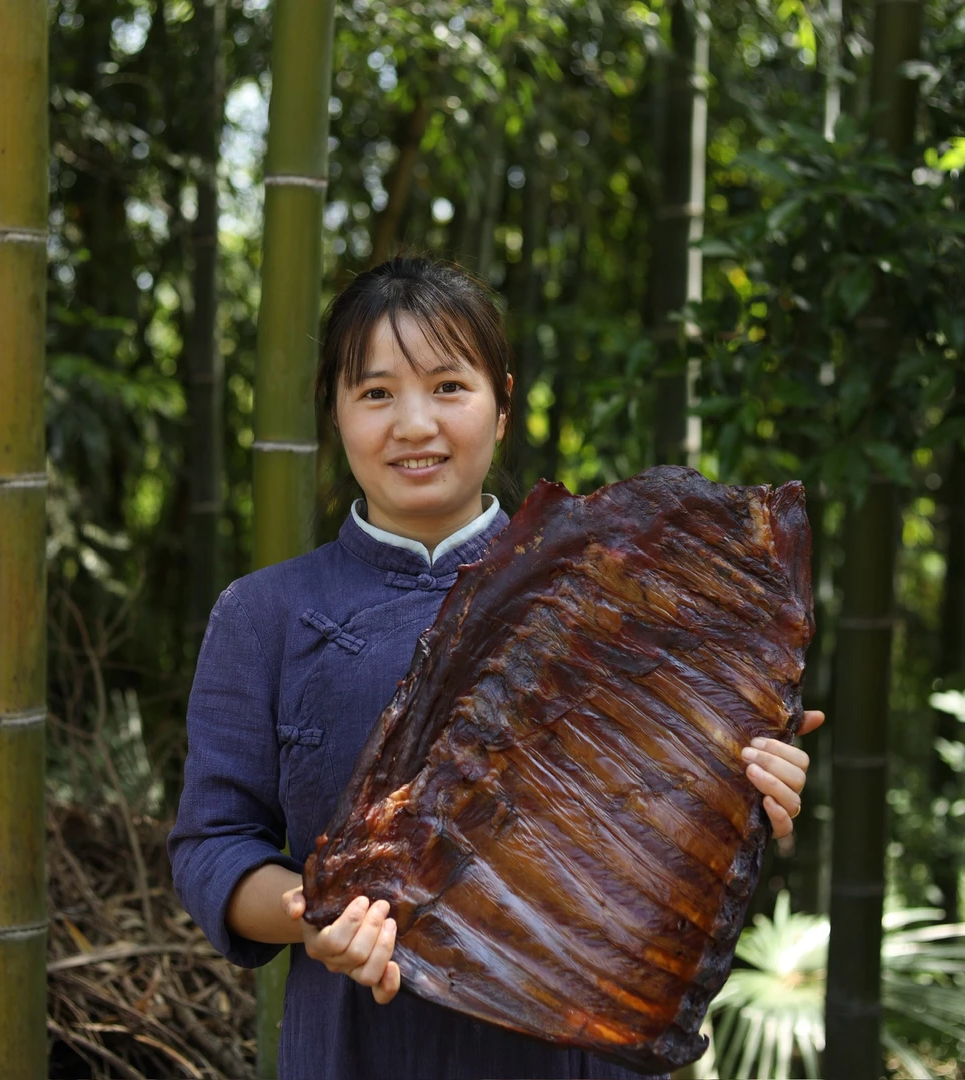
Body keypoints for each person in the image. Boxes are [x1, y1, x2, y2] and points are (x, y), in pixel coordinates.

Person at [167, 256, 824, 1080]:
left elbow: (646, 855)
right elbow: (213, 847)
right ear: (334, 412)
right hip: (360, 1051)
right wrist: (314, 917)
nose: (413, 424)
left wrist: (743, 803)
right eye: (375, 393)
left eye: (449, 386)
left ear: (503, 404)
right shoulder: (262, 615)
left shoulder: (615, 598)